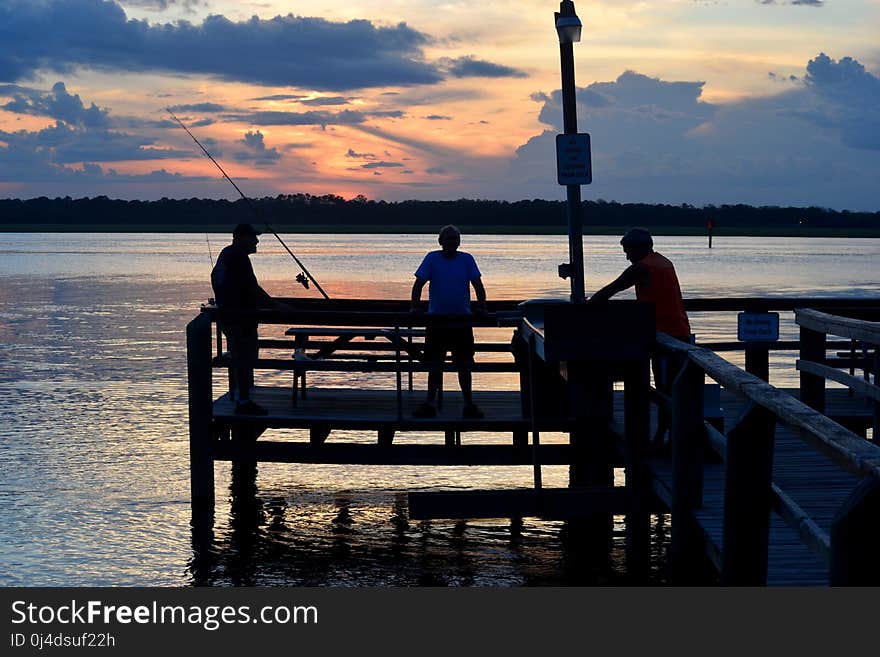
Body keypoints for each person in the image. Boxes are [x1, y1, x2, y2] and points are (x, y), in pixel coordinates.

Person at [589, 227, 691, 445]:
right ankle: (667, 439)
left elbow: (611, 290)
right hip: (678, 332)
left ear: (640, 248)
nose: (627, 257)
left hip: (668, 337)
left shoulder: (642, 268)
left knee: (666, 392)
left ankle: (670, 442)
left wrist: (585, 309)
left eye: (628, 251)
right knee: (670, 390)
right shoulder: (663, 262)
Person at [211, 223, 289, 415]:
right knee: (245, 358)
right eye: (252, 237)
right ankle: (244, 402)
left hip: (230, 316)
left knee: (241, 357)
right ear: (240, 237)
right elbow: (252, 288)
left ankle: (242, 399)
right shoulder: (238, 257)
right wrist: (276, 306)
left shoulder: (227, 254)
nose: (256, 241)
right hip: (239, 318)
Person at [411, 225, 487, 419]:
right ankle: (429, 403)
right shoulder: (432, 258)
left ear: (459, 242)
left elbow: (478, 285)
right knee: (434, 364)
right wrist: (415, 307)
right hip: (437, 320)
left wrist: (481, 306)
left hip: (462, 320)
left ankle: (469, 404)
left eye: (455, 239)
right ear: (441, 241)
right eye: (448, 239)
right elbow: (419, 284)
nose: (452, 242)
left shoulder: (467, 259)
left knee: (465, 364)